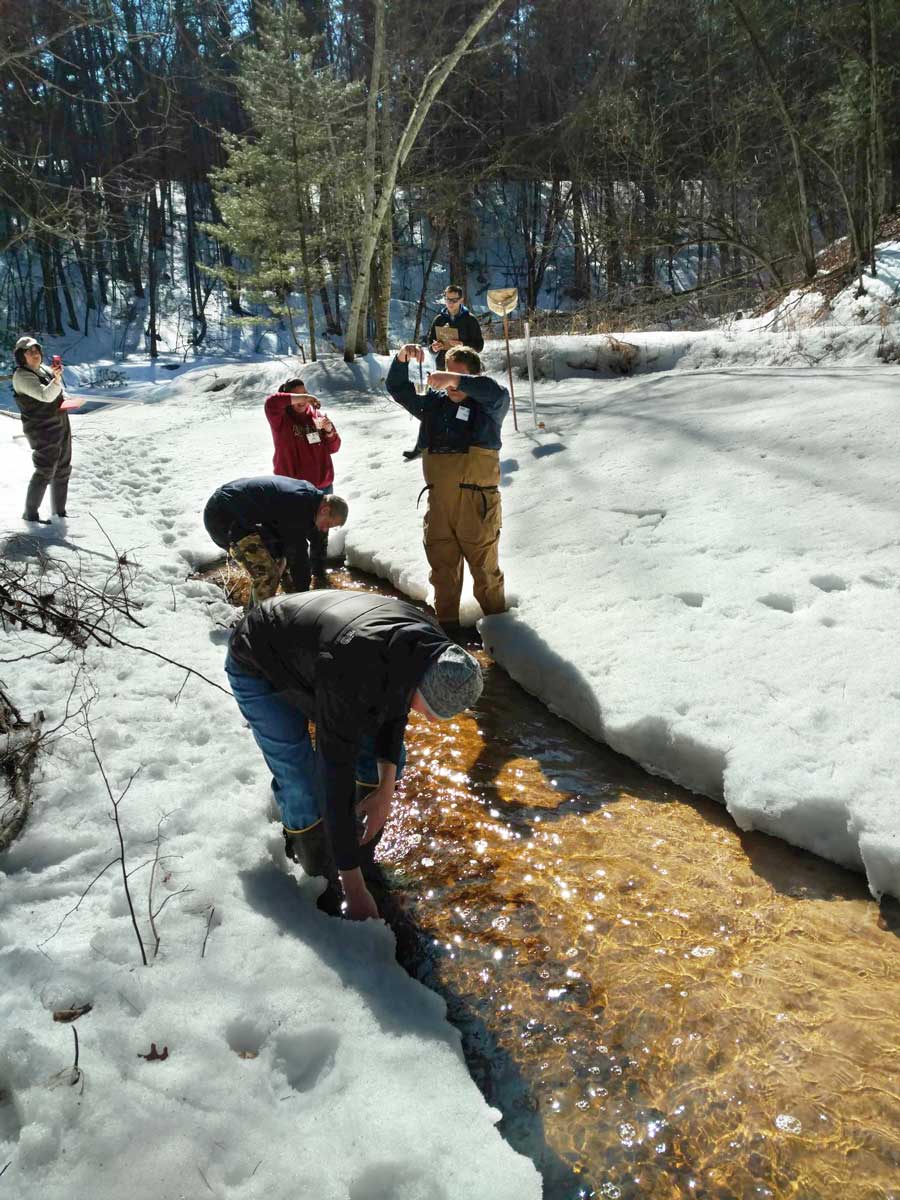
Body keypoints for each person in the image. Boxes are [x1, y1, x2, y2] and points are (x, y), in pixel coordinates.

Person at [226, 589, 483, 920]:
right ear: (418, 686)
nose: (432, 721)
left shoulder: (431, 649)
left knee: (385, 762)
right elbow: (334, 773)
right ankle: (323, 877)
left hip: (319, 655)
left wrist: (385, 789)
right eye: (431, 711)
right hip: (259, 660)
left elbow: (395, 711)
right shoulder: (351, 668)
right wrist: (354, 889)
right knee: (303, 782)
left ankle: (359, 849)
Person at [387, 344, 509, 637]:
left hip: (477, 506)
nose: (450, 382)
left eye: (458, 376)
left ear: (473, 376)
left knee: (485, 572)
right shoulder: (435, 405)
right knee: (442, 572)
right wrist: (401, 359)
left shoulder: (489, 406)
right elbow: (398, 389)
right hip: (439, 503)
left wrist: (453, 380)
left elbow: (496, 392)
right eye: (446, 373)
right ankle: (447, 633)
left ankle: (504, 637)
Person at [203, 476, 348, 606]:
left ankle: (286, 605)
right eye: (328, 524)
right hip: (223, 516)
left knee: (282, 563)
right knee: (267, 573)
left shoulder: (312, 500)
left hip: (243, 514)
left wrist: (318, 575)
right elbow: (298, 555)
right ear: (325, 510)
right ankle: (256, 624)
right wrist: (304, 597)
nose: (324, 530)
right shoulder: (300, 506)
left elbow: (302, 542)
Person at [264, 378, 341, 586]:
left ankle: (319, 574)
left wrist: (329, 431)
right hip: (293, 489)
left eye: (305, 394)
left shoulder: (316, 416)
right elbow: (271, 402)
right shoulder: (280, 418)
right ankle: (291, 579)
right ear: (289, 398)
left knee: (320, 534)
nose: (303, 400)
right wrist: (302, 398)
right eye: (297, 395)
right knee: (293, 536)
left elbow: (334, 447)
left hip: (322, 486)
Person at [403, 285, 484, 462]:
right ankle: (422, 445)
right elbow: (431, 346)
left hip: (464, 373)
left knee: (465, 410)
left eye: (454, 300)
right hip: (442, 370)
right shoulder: (439, 319)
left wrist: (462, 343)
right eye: (448, 299)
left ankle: (469, 444)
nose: (451, 303)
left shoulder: (470, 320)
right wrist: (433, 347)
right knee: (432, 410)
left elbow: (479, 346)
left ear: (461, 300)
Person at [11, 336, 71, 523]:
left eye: (37, 350)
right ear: (22, 355)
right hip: (42, 429)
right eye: (30, 351)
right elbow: (45, 396)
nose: (35, 354)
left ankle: (59, 513)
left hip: (60, 422)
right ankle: (30, 516)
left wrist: (67, 399)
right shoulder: (22, 376)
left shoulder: (44, 369)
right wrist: (57, 379)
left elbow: (58, 391)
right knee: (45, 470)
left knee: (63, 468)